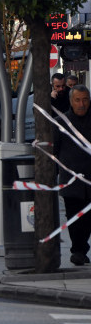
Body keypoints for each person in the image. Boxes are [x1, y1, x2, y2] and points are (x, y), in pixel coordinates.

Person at [54, 84, 91, 266]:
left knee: (88, 219)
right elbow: (55, 149)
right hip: (71, 181)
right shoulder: (61, 123)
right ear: (71, 102)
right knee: (74, 217)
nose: (81, 104)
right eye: (77, 100)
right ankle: (78, 250)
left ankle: (80, 249)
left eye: (85, 100)